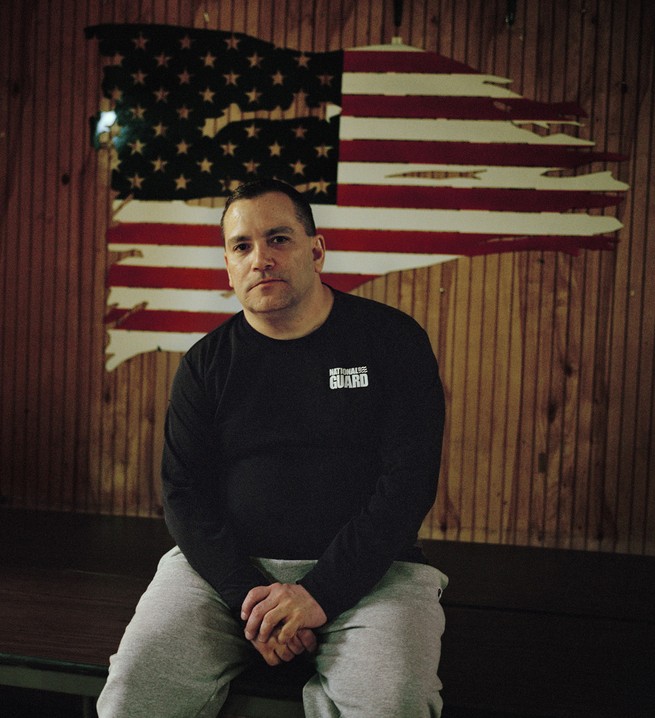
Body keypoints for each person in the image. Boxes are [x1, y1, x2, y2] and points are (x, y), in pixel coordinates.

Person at [97, 178, 448, 718]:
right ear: (229, 265)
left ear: (317, 250)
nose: (261, 258)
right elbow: (183, 495)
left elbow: (409, 482)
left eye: (278, 239)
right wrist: (251, 601)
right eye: (243, 246)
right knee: (132, 694)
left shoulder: (392, 341)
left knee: (392, 704)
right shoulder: (206, 364)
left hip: (375, 573)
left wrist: (319, 594)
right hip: (224, 576)